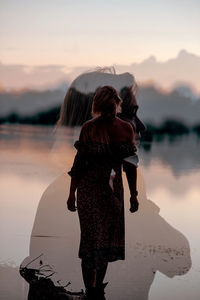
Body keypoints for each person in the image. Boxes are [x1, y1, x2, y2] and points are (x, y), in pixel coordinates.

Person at [67, 85, 140, 299]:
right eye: (104, 110)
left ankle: (97, 288)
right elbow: (79, 163)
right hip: (89, 190)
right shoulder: (89, 128)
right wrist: (71, 193)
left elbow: (131, 166)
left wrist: (133, 194)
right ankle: (90, 291)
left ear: (117, 105)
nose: (109, 114)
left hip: (113, 190)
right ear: (98, 108)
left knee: (106, 242)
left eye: (112, 109)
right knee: (90, 243)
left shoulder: (126, 129)